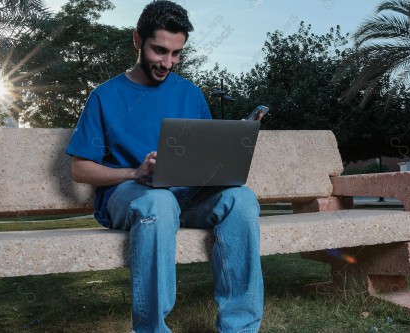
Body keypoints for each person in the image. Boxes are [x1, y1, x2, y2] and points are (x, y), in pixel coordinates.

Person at [66, 1, 263, 332]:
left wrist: (229, 152)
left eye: (176, 54)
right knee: (158, 201)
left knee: (242, 199)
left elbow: (206, 156)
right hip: (129, 194)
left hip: (185, 195)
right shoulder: (104, 96)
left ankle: (240, 327)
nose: (167, 62)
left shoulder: (191, 94)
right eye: (160, 50)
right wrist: (135, 173)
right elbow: (80, 170)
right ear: (137, 40)